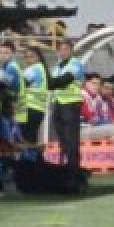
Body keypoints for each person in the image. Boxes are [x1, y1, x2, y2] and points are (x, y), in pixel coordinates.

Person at [48, 39, 86, 172]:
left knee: (71, 138)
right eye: (61, 49)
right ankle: (65, 164)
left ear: (71, 50)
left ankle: (73, 167)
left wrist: (53, 83)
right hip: (58, 103)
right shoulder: (57, 66)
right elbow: (52, 83)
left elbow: (64, 80)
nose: (63, 52)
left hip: (71, 104)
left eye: (66, 49)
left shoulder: (76, 64)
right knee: (61, 137)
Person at [20, 45, 48, 144]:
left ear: (38, 57)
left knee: (25, 139)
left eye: (31, 56)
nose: (28, 59)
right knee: (32, 138)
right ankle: (35, 158)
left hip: (29, 108)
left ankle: (28, 159)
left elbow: (20, 84)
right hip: (39, 109)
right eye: (26, 57)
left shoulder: (33, 69)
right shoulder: (44, 70)